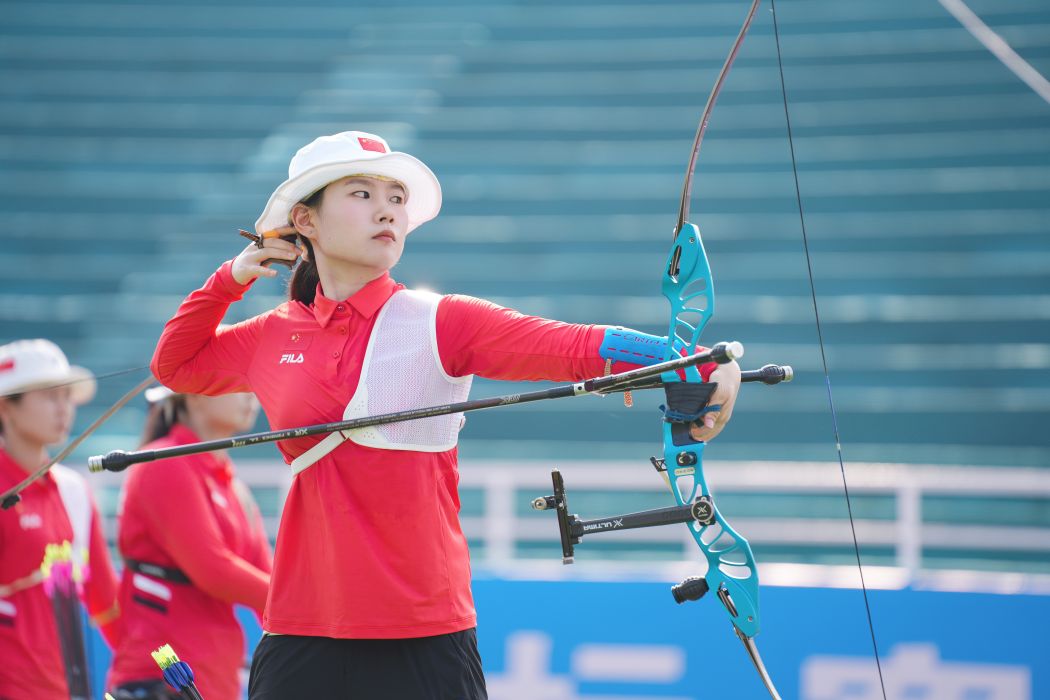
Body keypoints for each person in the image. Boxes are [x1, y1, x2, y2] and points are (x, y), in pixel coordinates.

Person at [150, 130, 741, 698]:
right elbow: (175, 366)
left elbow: (570, 344)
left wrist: (695, 360)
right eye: (362, 194)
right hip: (301, 629)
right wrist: (227, 280)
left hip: (423, 631)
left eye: (396, 199)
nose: (388, 212)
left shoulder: (440, 320)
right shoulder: (270, 336)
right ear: (305, 221)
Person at [107, 386, 272, 700]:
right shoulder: (164, 463)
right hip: (163, 681)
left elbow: (272, 582)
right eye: (237, 383)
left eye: (253, 383)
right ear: (194, 392)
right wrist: (303, 608)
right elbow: (214, 571)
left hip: (213, 679)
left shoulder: (233, 486)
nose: (252, 394)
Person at [0, 339, 121, 700]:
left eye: (67, 397)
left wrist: (156, 667)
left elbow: (105, 600)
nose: (64, 409)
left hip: (63, 690)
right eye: (50, 396)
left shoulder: (74, 491)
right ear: (6, 407)